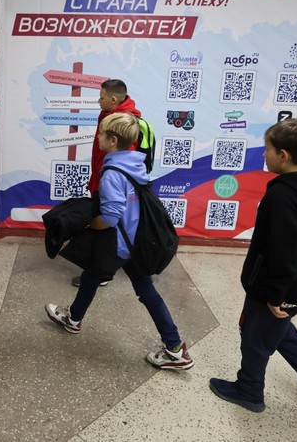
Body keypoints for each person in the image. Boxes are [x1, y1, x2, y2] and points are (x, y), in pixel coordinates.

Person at [209, 118, 297, 427]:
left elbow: (283, 251)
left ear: (284, 155)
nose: (264, 155)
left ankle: (250, 392)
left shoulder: (284, 196)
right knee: (283, 335)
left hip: (277, 287)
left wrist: (275, 295)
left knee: (256, 339)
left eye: (268, 150)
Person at [46, 113, 194, 370]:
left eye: (101, 134)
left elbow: (112, 216)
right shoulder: (134, 163)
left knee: (98, 275)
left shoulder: (113, 173)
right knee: (136, 288)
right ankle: (173, 347)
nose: (98, 137)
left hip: (120, 243)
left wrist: (88, 225)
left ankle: (74, 318)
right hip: (135, 239)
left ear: (112, 140)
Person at [72, 78, 143, 287]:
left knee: (106, 230)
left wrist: (105, 185)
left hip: (109, 185)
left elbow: (122, 163)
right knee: (143, 285)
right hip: (102, 181)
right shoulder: (108, 115)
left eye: (101, 97)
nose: (98, 101)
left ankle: (100, 273)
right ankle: (98, 272)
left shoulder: (122, 122)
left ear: (113, 99)